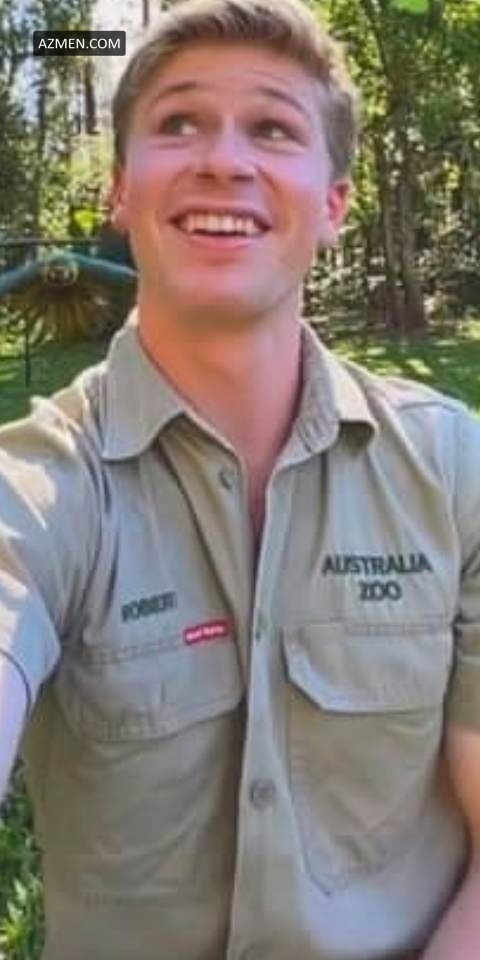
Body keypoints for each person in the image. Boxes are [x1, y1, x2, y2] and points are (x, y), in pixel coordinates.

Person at [1, 0, 480, 957]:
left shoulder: (454, 471)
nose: (223, 159)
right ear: (121, 190)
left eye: (272, 128)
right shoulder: (44, 482)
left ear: (334, 204)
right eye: (180, 122)